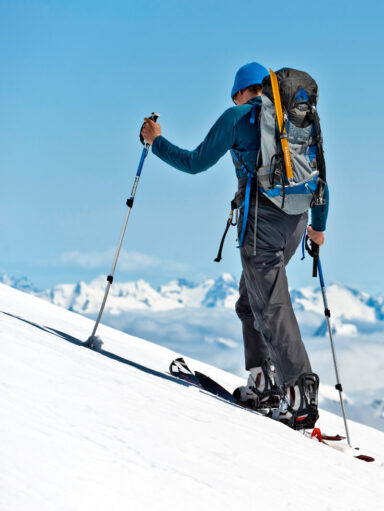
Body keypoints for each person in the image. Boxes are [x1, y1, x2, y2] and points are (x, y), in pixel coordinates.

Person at [140, 62, 328, 429]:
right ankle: (263, 381)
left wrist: (155, 140)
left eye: (235, 94)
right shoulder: (296, 121)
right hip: (297, 223)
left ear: (243, 91)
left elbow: (194, 163)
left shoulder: (239, 116)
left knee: (270, 304)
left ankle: (298, 392)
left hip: (260, 225)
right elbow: (320, 174)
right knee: (250, 301)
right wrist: (318, 229)